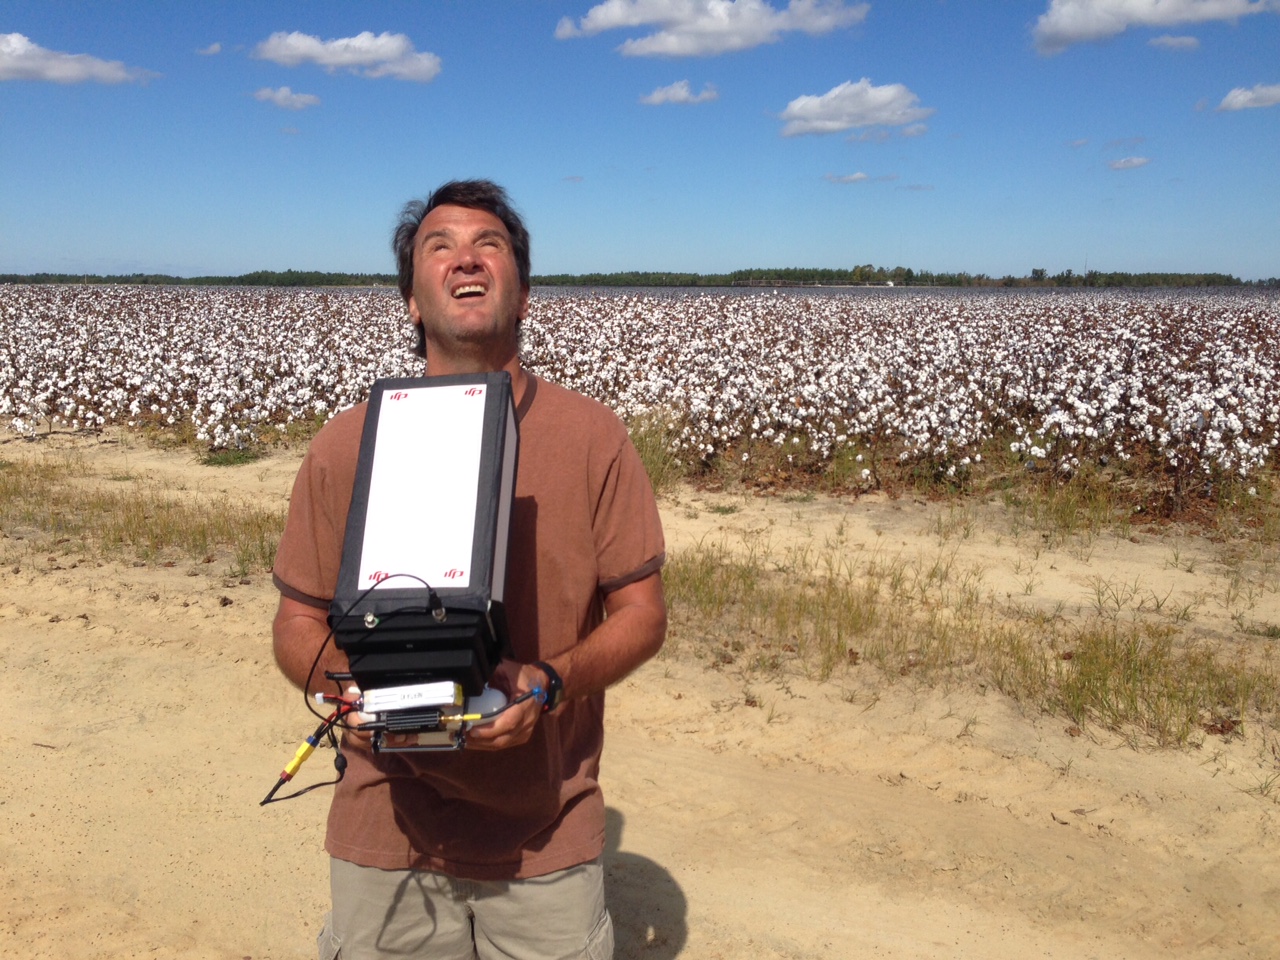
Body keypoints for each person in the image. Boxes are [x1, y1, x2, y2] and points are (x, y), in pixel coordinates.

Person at [270, 179, 667, 960]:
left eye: (489, 244)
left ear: (523, 295)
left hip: (544, 836)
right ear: (412, 301)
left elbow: (643, 615)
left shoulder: (593, 439)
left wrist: (549, 684)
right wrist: (343, 687)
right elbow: (297, 623)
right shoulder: (344, 446)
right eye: (439, 246)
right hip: (384, 830)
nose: (465, 260)